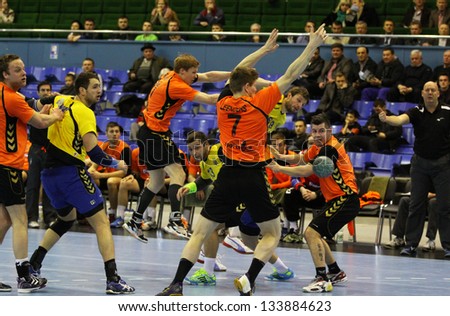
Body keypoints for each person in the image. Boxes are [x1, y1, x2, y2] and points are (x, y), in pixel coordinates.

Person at [155, 26, 327, 296]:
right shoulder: (260, 102)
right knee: (271, 234)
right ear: (248, 87)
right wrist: (311, 46)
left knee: (199, 234)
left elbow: (238, 70)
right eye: (252, 83)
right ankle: (249, 277)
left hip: (226, 175)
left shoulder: (222, 100)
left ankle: (175, 284)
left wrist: (262, 51)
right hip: (253, 175)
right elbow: (291, 74)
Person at [28, 72, 135, 294]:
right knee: (102, 223)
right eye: (95, 86)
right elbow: (95, 153)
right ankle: (113, 279)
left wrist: (43, 102)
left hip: (49, 174)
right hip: (70, 174)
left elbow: (34, 103)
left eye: (100, 86)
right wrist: (117, 164)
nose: (100, 90)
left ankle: (34, 264)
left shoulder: (61, 100)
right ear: (82, 90)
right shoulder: (85, 113)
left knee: (66, 219)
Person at [122, 50, 232, 243]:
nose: (195, 75)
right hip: (155, 135)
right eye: (192, 72)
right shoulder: (176, 86)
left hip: (149, 133)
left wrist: (232, 75)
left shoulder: (172, 75)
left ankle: (134, 220)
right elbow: (211, 100)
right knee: (178, 174)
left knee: (156, 182)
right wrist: (234, 88)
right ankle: (175, 221)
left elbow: (208, 76)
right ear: (182, 71)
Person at [182, 131, 294, 286]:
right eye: (191, 149)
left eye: (197, 147)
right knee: (252, 242)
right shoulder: (204, 163)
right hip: (242, 202)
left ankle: (208, 272)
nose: (195, 152)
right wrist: (191, 187)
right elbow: (205, 180)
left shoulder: (220, 150)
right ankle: (283, 270)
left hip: (247, 197)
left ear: (206, 144)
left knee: (211, 228)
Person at [269, 113, 359, 293]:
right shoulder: (318, 147)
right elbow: (302, 158)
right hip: (335, 199)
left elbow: (309, 169)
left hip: (346, 198)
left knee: (311, 233)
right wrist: (282, 156)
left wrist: (280, 168)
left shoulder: (330, 149)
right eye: (315, 131)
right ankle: (335, 272)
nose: (317, 135)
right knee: (316, 234)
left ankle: (321, 278)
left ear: (329, 131)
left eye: (321, 131)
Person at [0, 54, 64, 292]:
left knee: (4, 220)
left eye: (24, 68)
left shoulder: (6, 94)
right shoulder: (11, 98)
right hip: (8, 166)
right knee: (20, 220)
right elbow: (39, 122)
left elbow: (33, 104)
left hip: (1, 166)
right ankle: (25, 277)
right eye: (17, 70)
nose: (23, 72)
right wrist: (55, 115)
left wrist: (46, 101)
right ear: (5, 74)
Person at [379, 81, 450, 258]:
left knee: (444, 207)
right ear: (423, 94)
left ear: (438, 94)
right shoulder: (416, 112)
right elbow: (400, 119)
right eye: (427, 90)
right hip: (420, 165)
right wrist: (387, 119)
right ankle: (410, 245)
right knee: (415, 205)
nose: (431, 93)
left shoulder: (448, 112)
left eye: (434, 90)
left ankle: (448, 246)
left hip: (443, 165)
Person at [26, 81, 58, 229]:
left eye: (48, 90)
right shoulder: (32, 109)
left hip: (51, 150)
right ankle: (31, 217)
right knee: (33, 184)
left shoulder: (56, 110)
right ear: (38, 93)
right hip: (36, 149)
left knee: (49, 185)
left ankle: (50, 217)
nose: (46, 92)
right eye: (43, 90)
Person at [282, 135, 326, 243]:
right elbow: (293, 178)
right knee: (289, 193)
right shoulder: (301, 156)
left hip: (322, 194)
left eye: (315, 143)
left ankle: (324, 233)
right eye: (310, 143)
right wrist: (302, 189)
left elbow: (331, 184)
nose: (313, 145)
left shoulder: (326, 158)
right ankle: (293, 229)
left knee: (333, 196)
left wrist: (316, 194)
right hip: (305, 192)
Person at [87, 121, 131, 225]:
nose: (114, 134)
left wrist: (100, 175)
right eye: (111, 131)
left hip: (120, 178)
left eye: (117, 131)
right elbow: (94, 165)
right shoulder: (104, 146)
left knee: (111, 182)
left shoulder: (125, 148)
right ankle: (90, 212)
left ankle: (113, 214)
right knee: (88, 178)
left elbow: (124, 172)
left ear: (120, 134)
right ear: (106, 133)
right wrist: (91, 171)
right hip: (105, 176)